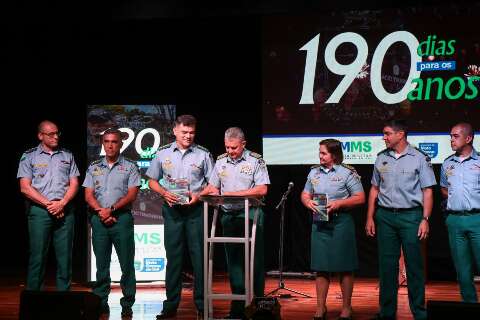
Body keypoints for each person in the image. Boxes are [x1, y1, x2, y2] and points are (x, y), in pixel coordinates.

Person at [365, 119, 436, 320]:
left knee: (414, 266)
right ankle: (387, 312)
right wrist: (370, 217)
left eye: (387, 133)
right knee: (387, 267)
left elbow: (428, 191)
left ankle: (419, 312)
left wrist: (425, 219)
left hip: (411, 216)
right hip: (385, 216)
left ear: (401, 134)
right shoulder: (381, 158)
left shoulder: (419, 158)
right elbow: (374, 189)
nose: (384, 137)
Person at [146, 115, 214, 319]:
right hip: (172, 211)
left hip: (195, 211)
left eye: (192, 132)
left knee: (199, 259)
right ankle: (170, 305)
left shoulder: (203, 154)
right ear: (175, 131)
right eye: (184, 132)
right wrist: (164, 192)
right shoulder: (162, 153)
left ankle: (202, 305)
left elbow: (213, 184)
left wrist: (199, 195)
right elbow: (151, 180)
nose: (188, 136)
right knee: (173, 259)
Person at [201, 127, 270, 319]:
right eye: (227, 147)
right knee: (234, 264)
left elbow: (262, 189)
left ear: (243, 144)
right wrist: (201, 194)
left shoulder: (255, 160)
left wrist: (231, 194)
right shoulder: (221, 160)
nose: (230, 151)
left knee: (254, 262)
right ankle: (237, 309)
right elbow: (214, 186)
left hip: (250, 214)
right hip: (227, 215)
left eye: (234, 148)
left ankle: (257, 308)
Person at [301, 139, 365, 320]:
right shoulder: (313, 172)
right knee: (321, 267)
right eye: (320, 152)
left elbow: (360, 197)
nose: (320, 156)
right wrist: (308, 201)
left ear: (334, 155)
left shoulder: (347, 173)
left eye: (324, 153)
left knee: (345, 267)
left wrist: (338, 204)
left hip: (341, 222)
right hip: (320, 222)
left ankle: (346, 308)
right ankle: (321, 307)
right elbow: (305, 193)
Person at [83, 128, 140, 318]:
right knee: (101, 265)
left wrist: (112, 210)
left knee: (127, 265)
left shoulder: (130, 166)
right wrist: (101, 211)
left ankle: (127, 303)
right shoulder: (93, 167)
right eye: (106, 141)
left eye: (114, 142)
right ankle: (101, 301)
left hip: (122, 219)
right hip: (99, 220)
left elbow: (132, 194)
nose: (110, 145)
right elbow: (88, 194)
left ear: (121, 144)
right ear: (102, 143)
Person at [17, 120, 79, 291]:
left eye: (57, 133)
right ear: (40, 136)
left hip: (65, 210)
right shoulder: (29, 156)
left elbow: (74, 183)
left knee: (65, 257)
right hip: (39, 211)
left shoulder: (67, 155)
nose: (55, 136)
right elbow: (25, 188)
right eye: (51, 134)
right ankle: (33, 300)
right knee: (38, 257)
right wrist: (50, 205)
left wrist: (62, 203)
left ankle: (64, 300)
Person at [440, 122, 480, 302]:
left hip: (477, 219)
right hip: (455, 220)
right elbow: (444, 188)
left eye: (455, 136)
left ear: (469, 138)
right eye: (451, 136)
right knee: (462, 269)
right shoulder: (447, 163)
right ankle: (470, 306)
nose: (451, 140)